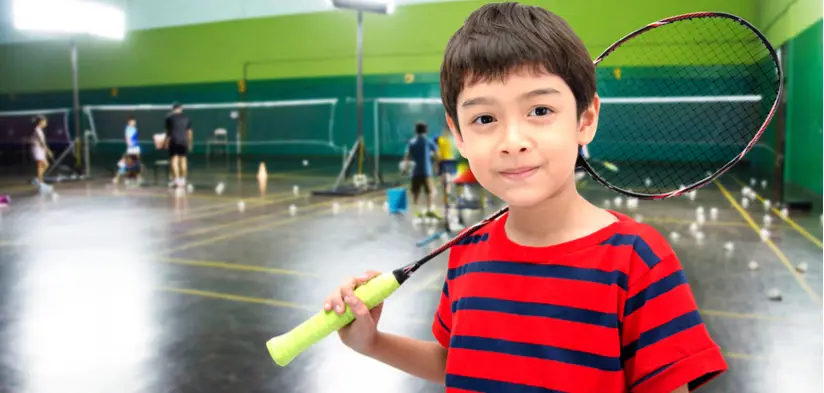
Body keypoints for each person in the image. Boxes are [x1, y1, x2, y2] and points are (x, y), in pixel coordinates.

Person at [322, 3, 728, 393]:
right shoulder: (467, 251)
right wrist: (370, 343)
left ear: (585, 119)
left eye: (539, 110)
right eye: (485, 119)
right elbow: (459, 363)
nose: (513, 142)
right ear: (458, 134)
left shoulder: (639, 261)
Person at [400, 122, 438, 218]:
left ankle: (416, 211)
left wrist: (404, 169)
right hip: (426, 171)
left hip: (415, 171)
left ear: (415, 131)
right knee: (429, 191)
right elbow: (437, 155)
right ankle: (429, 209)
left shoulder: (411, 142)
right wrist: (436, 166)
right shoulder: (428, 141)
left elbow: (406, 157)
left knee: (415, 192)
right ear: (426, 131)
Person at [163, 102, 192, 188]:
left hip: (174, 141)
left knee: (174, 160)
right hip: (184, 141)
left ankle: (176, 181)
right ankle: (183, 180)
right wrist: (189, 143)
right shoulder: (186, 118)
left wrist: (165, 143)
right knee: (183, 160)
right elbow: (189, 132)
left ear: (173, 109)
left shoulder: (169, 118)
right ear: (181, 108)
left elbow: (168, 133)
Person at [30, 115, 53, 187]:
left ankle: (38, 180)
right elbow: (41, 142)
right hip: (37, 149)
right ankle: (40, 181)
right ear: (40, 122)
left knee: (45, 165)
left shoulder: (39, 130)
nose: (46, 123)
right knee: (41, 164)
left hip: (41, 149)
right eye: (44, 121)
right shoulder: (37, 130)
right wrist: (48, 150)